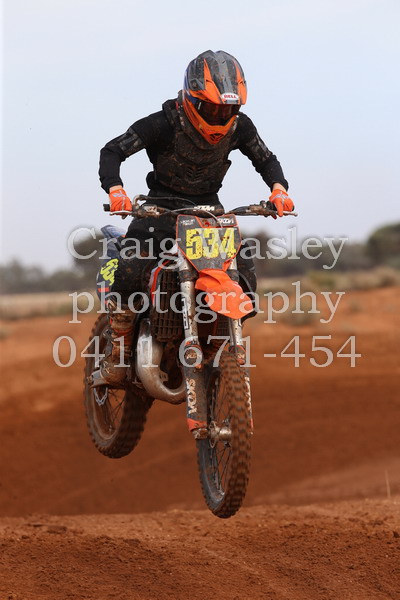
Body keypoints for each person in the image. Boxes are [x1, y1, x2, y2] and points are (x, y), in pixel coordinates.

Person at [98, 49, 294, 386]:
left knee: (243, 270)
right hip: (158, 210)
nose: (220, 116)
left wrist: (278, 190)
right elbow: (113, 150)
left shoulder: (240, 127)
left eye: (228, 110)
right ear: (191, 99)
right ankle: (118, 350)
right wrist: (116, 189)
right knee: (131, 266)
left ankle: (217, 342)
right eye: (212, 108)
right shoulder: (162, 123)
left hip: (208, 214)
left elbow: (265, 158)